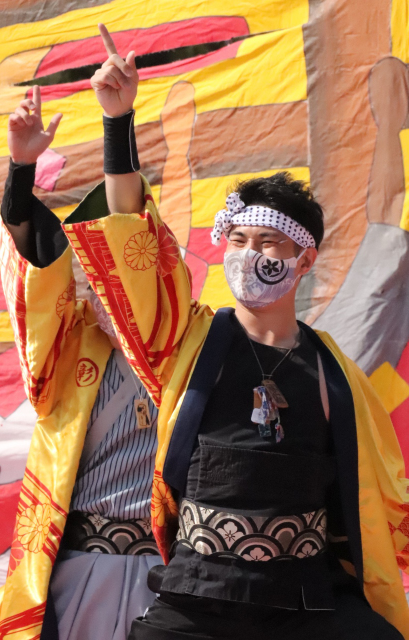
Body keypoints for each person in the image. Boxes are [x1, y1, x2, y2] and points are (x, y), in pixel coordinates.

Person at [58, 24, 409, 639]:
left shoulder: (335, 371)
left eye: (268, 243)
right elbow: (133, 243)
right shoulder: (187, 343)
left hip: (303, 598)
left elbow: (378, 492)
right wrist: (117, 122)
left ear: (304, 259)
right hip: (199, 596)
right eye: (238, 241)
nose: (249, 255)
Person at [0, 81, 162, 640]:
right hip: (82, 567)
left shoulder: (191, 348)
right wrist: (20, 170)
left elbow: (130, 221)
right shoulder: (68, 345)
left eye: (122, 272)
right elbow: (34, 275)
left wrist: (118, 122)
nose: (106, 286)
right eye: (94, 274)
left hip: (173, 574)